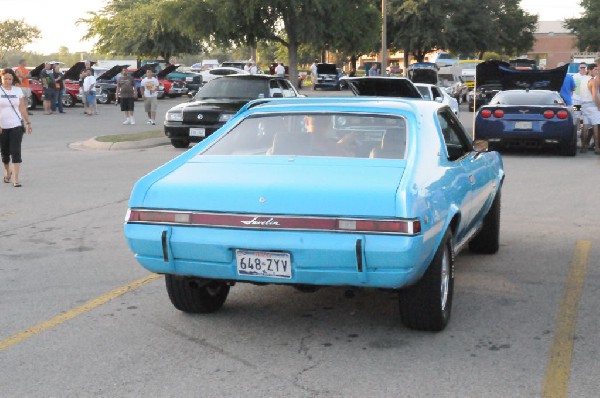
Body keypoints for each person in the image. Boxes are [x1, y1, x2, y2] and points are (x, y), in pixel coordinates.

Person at [0, 68, 32, 187]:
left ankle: (16, 179)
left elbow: (22, 107)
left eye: (10, 79)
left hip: (16, 125)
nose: (8, 81)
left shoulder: (17, 90)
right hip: (2, 126)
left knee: (15, 151)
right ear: (1, 78)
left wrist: (28, 123)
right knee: (5, 153)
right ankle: (8, 172)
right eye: (5, 79)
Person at [579, 63, 600, 153]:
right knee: (596, 126)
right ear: (590, 70)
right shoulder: (593, 81)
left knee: (585, 126)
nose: (597, 71)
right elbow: (595, 96)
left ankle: (583, 146)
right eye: (595, 69)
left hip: (584, 105)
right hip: (592, 105)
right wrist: (599, 107)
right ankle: (597, 148)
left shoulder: (583, 79)